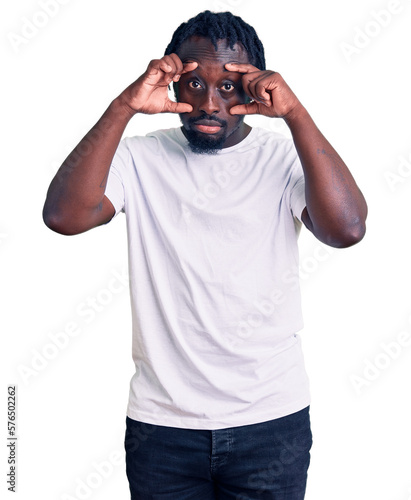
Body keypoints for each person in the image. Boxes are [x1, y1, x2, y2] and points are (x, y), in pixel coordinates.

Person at [43, 10, 367, 500]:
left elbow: (346, 229)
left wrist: (297, 115)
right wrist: (122, 107)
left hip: (270, 421)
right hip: (163, 428)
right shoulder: (140, 158)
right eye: (193, 84)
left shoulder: (282, 158)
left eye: (229, 88)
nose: (209, 104)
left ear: (257, 89)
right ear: (172, 82)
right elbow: (65, 216)